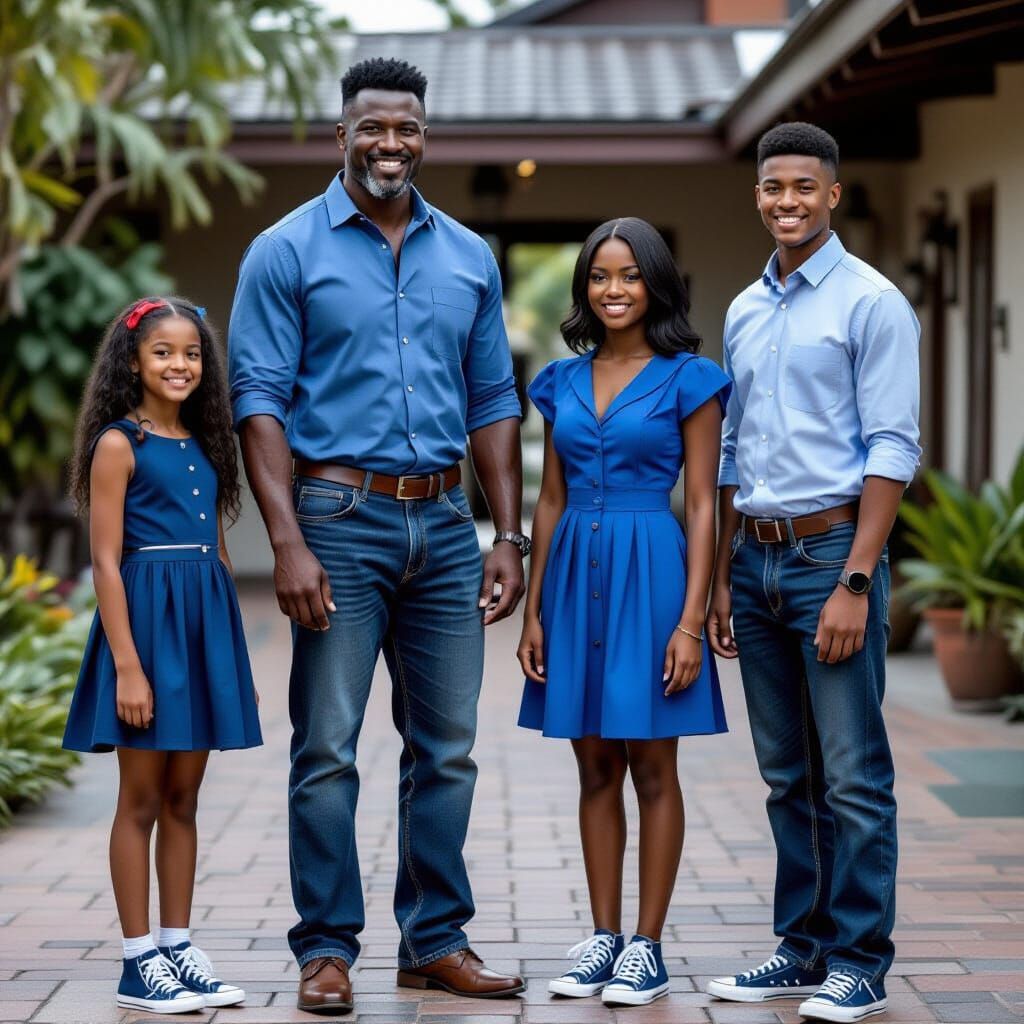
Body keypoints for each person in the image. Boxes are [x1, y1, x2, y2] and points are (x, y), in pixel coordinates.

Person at [228, 58, 527, 1014]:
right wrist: (285, 541)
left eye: (406, 128)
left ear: (423, 135)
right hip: (337, 522)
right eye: (372, 128)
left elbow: (493, 402)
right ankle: (326, 951)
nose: (389, 144)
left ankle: (433, 940)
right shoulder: (285, 251)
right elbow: (258, 401)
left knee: (445, 748)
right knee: (327, 746)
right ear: (342, 131)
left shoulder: (469, 256)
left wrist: (507, 533)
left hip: (444, 524)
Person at [705, 123, 920, 1023]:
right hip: (752, 560)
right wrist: (718, 578)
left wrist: (857, 580)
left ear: (833, 194)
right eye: (771, 187)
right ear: (758, 195)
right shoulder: (746, 311)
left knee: (852, 773)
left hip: (831, 556)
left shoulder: (873, 304)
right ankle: (803, 947)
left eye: (804, 186)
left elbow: (892, 448)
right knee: (787, 774)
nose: (786, 200)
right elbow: (727, 451)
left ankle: (861, 961)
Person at [517, 218, 730, 1006]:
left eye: (629, 275)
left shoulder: (691, 378)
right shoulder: (559, 382)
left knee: (653, 764)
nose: (614, 289)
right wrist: (534, 611)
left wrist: (690, 619)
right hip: (574, 570)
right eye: (600, 275)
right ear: (584, 287)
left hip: (653, 570)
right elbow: (549, 497)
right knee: (594, 763)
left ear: (655, 285)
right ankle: (603, 938)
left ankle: (648, 946)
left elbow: (705, 505)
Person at [63, 297, 262, 1014]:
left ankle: (178, 946)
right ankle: (136, 959)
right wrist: (127, 665)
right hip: (146, 627)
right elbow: (107, 563)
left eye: (193, 354)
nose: (181, 365)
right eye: (163, 353)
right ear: (133, 362)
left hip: (201, 624)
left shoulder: (206, 444)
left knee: (185, 798)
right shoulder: (120, 444)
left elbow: (215, 550)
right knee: (141, 798)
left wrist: (230, 660)